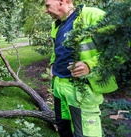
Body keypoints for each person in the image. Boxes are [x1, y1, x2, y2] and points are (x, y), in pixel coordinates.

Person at [44, 0, 111, 136]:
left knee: (84, 133)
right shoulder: (56, 25)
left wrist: (90, 65)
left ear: (62, 2)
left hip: (82, 91)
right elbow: (56, 50)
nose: (46, 10)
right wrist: (52, 65)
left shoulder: (93, 16)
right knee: (64, 130)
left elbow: (120, 48)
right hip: (59, 90)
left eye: (47, 6)